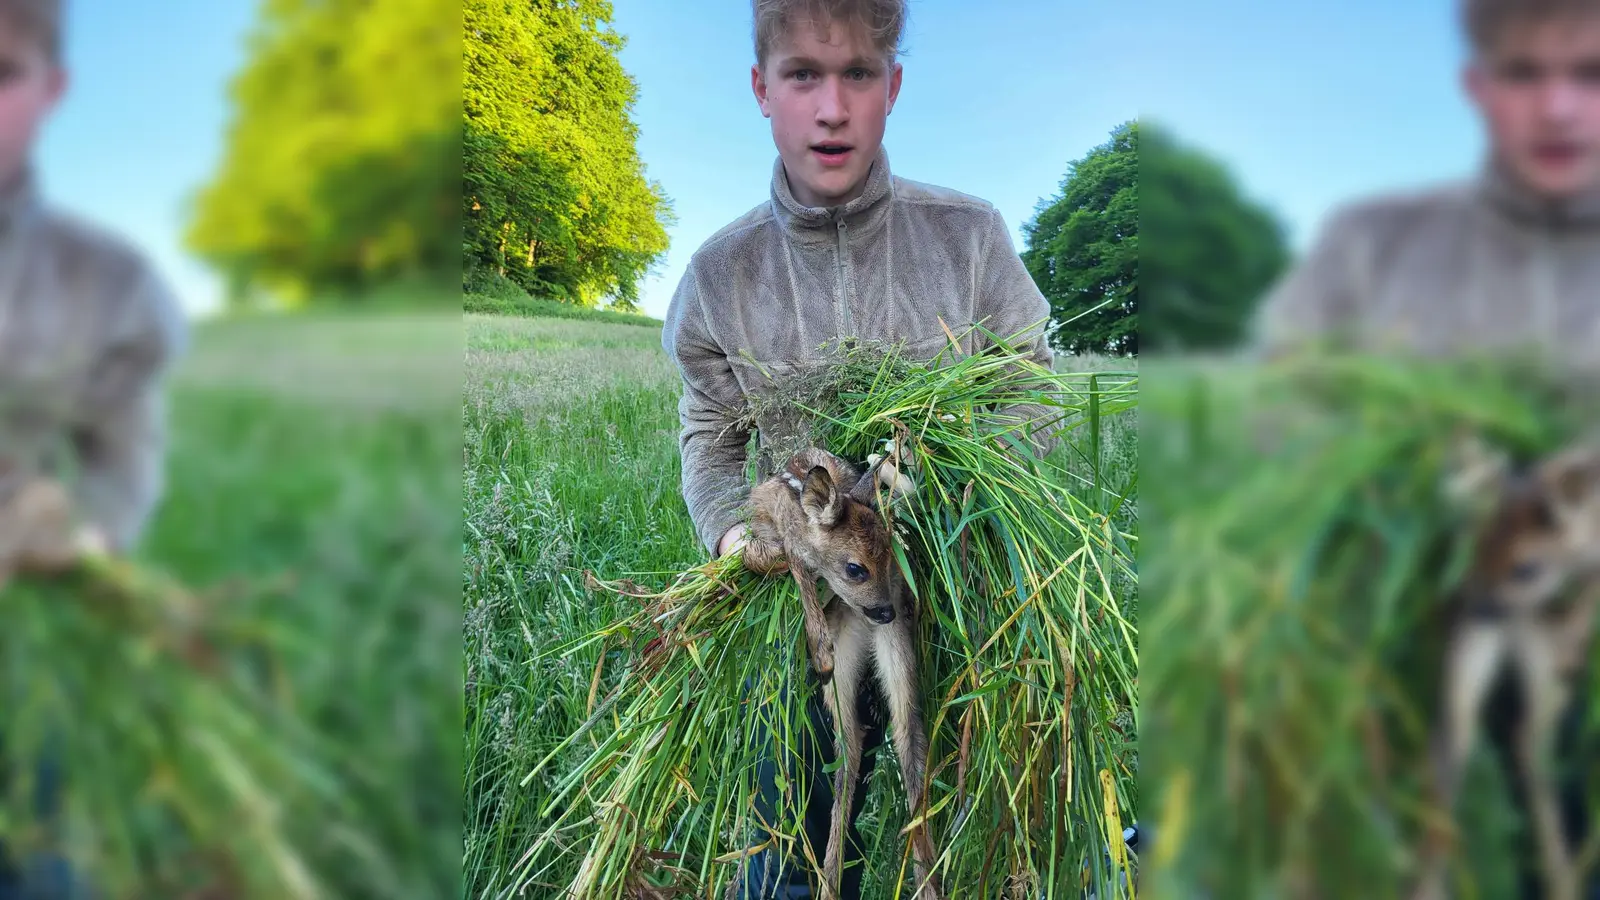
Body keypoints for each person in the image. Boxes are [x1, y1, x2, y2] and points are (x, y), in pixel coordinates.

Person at [659, 1, 1060, 896]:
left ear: (894, 88)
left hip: (955, 590)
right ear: (763, 89)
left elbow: (1032, 388)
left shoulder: (969, 237)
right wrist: (731, 534)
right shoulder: (723, 275)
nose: (832, 108)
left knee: (961, 843)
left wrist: (955, 488)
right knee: (786, 851)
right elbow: (710, 435)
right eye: (803, 74)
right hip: (801, 614)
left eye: (858, 75)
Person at [1249, 1, 1600, 896]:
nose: (1559, 107)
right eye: (1527, 74)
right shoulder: (1374, 243)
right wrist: (1389, 450)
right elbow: (1274, 412)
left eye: (1590, 74)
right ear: (1478, 86)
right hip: (1411, 638)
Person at [0, 0, 188, 895]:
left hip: (23, 646)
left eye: (2, 75)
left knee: (41, 853)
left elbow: (123, 459)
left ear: (52, 89)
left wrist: (81, 534)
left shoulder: (98, 278)